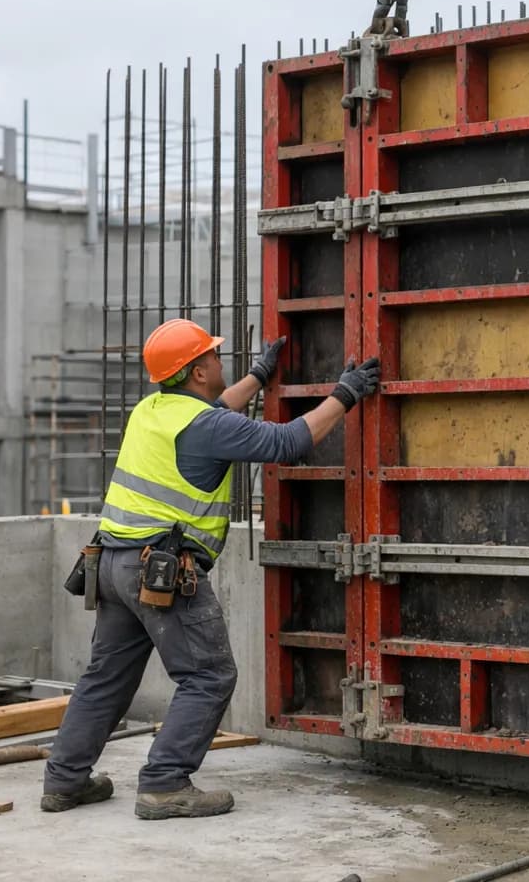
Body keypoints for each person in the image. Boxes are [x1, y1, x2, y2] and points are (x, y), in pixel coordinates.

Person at [41, 318, 380, 820]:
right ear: (198, 371)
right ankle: (163, 784)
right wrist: (345, 395)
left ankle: (64, 781)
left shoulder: (152, 411)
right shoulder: (204, 427)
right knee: (209, 674)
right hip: (158, 571)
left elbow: (217, 413)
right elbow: (287, 442)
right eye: (215, 358)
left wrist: (261, 376)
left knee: (105, 677)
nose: (222, 364)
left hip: (109, 564)